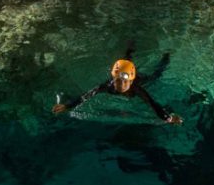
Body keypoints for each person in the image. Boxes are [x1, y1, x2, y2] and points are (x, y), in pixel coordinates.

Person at [52, 41, 183, 124]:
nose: (119, 85)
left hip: (140, 78)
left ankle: (166, 57)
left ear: (130, 81)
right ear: (113, 79)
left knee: (156, 76)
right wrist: (67, 106)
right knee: (125, 61)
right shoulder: (108, 86)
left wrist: (168, 118)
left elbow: (153, 104)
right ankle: (130, 48)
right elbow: (86, 95)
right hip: (127, 71)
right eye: (117, 81)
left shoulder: (137, 88)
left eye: (124, 83)